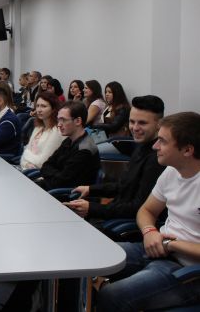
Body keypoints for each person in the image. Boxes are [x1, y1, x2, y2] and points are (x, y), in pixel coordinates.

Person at [97, 112, 200, 312]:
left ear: (187, 150)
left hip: (190, 271)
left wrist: (170, 244)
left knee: (112, 295)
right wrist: (149, 231)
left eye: (162, 141)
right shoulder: (171, 171)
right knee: (89, 256)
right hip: (159, 249)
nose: (155, 146)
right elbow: (147, 210)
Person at [66, 95, 166, 226]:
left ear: (159, 125)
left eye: (142, 123)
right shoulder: (141, 147)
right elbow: (123, 185)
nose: (135, 128)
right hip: (115, 214)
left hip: (124, 224)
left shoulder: (158, 159)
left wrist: (93, 208)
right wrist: (91, 189)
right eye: (132, 122)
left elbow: (138, 208)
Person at [37, 101, 100, 190]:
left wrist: (51, 173)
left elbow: (60, 182)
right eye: (58, 120)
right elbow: (46, 165)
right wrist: (56, 173)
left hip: (65, 195)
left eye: (63, 120)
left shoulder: (85, 149)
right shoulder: (69, 140)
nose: (59, 124)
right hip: (53, 188)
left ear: (78, 121)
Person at [20, 92, 64, 170]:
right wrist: (26, 164)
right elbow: (23, 157)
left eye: (43, 106)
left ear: (53, 109)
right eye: (37, 106)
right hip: (25, 170)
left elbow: (43, 162)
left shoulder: (57, 131)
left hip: (39, 175)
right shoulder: (39, 127)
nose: (39, 110)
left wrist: (26, 154)